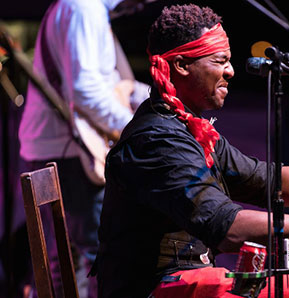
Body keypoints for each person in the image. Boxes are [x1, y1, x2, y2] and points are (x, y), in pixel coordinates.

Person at [94, 4, 289, 298]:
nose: (231, 71)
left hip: (191, 280)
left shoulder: (186, 126)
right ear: (181, 65)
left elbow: (264, 179)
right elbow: (227, 228)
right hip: (157, 290)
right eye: (219, 61)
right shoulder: (157, 142)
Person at [17, 0, 156, 296]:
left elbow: (112, 84)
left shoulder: (87, 10)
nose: (145, 4)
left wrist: (157, 99)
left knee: (65, 261)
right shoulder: (83, 8)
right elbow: (86, 91)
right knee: (105, 254)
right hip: (67, 152)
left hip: (60, 149)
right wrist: (136, 130)